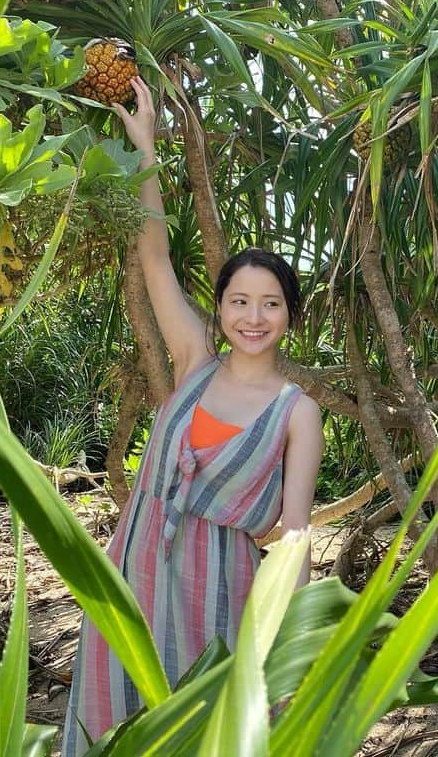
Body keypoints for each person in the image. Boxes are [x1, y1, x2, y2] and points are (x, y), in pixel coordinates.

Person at [61, 77, 323, 755]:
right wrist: (145, 143)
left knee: (202, 733)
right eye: (240, 300)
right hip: (135, 564)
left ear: (289, 315)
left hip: (221, 590)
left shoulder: (299, 413)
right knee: (114, 723)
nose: (253, 317)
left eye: (270, 303)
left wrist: (286, 639)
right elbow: (154, 255)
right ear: (220, 308)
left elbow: (295, 536)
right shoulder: (193, 359)